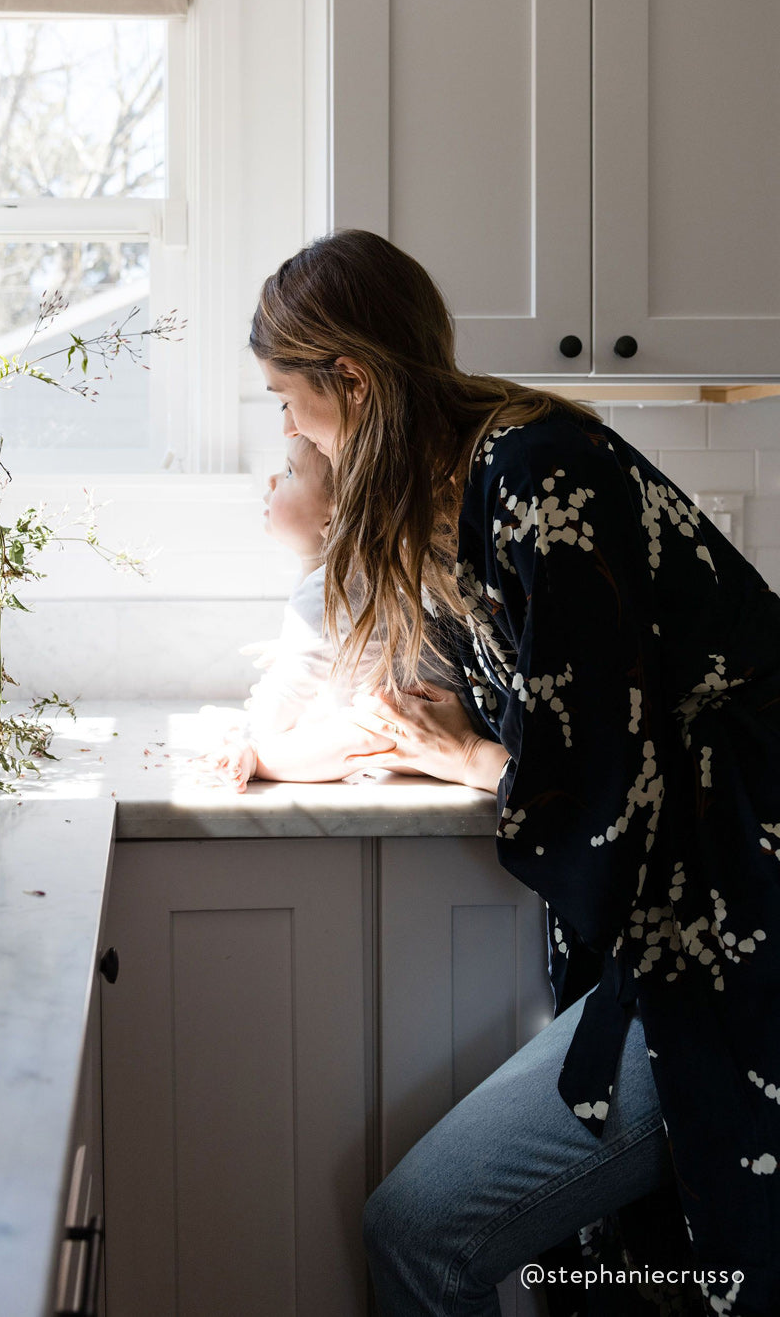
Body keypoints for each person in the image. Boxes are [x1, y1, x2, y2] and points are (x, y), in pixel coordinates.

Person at [249, 228, 780, 1317]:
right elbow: (405, 695)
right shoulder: (446, 492)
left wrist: (474, 756)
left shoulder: (535, 470)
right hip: (679, 911)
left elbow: (587, 770)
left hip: (739, 910)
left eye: (285, 397)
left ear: (349, 378)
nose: (287, 428)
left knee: (421, 1228)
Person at [206, 432, 465, 791]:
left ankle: (256, 758)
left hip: (429, 724)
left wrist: (247, 734)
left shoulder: (335, 585)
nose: (272, 479)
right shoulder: (357, 575)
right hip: (444, 712)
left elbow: (289, 689)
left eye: (290, 472)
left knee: (360, 733)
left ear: (332, 519)